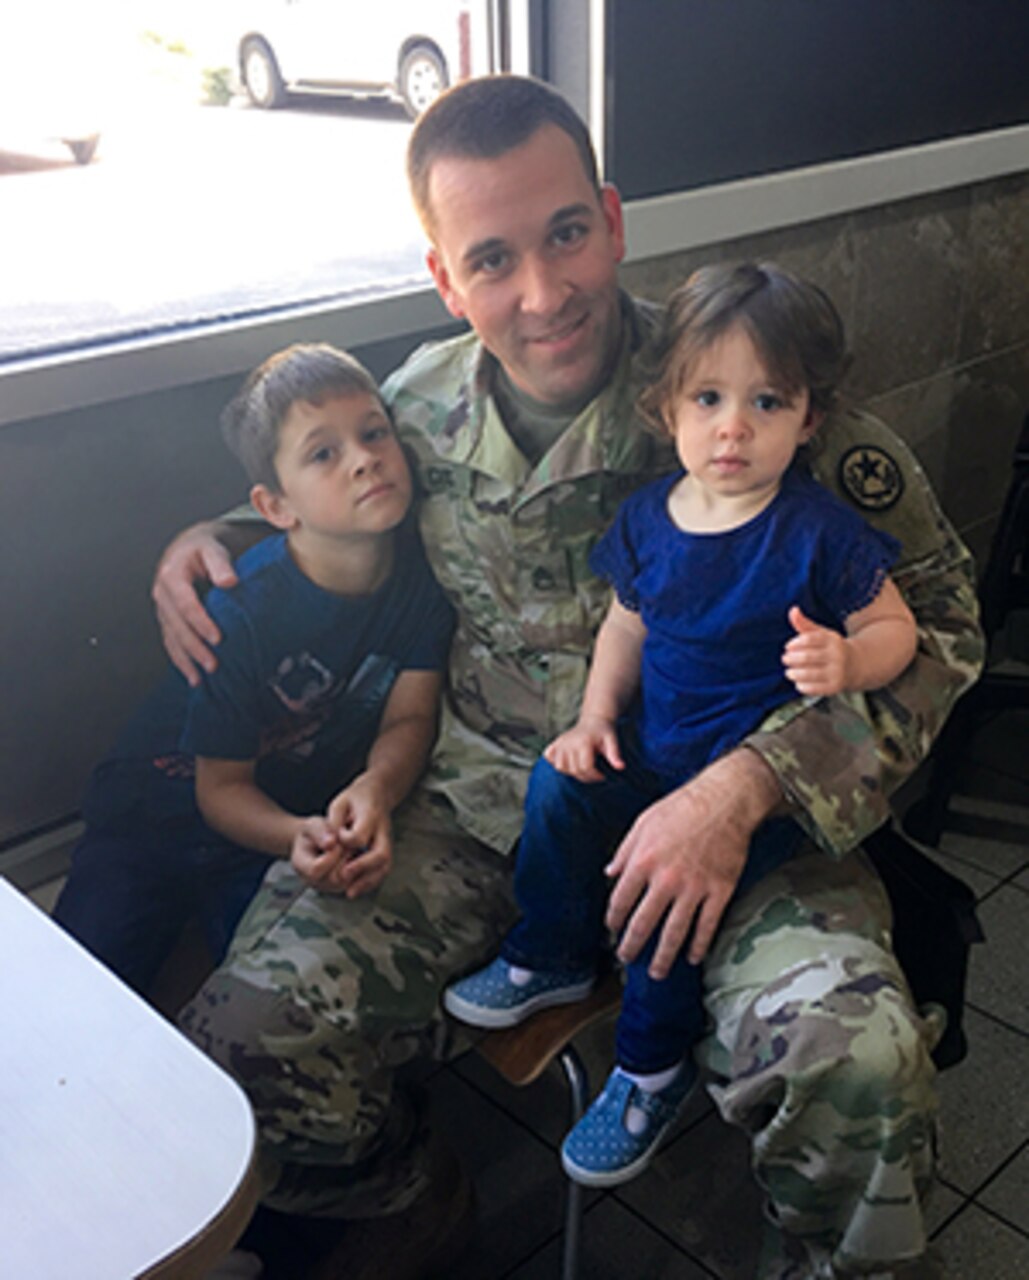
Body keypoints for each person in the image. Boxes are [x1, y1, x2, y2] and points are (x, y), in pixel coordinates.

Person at [154, 76, 983, 1280]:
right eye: (491, 258)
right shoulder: (418, 410)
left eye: (566, 235)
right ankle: (400, 1194)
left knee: (858, 1063)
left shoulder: (736, 382)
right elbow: (327, 495)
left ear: (613, 218)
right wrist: (220, 537)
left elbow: (944, 618)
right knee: (241, 1038)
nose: (542, 294)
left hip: (736, 814)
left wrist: (750, 785)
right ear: (446, 278)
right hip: (490, 805)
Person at [442, 261, 920, 1191]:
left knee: (665, 920)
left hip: (756, 798)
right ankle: (546, 955)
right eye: (708, 397)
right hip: (651, 760)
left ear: (808, 419)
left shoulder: (815, 529)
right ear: (667, 408)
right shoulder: (647, 521)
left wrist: (848, 661)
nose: (732, 426)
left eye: (766, 402)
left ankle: (648, 1072)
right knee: (558, 787)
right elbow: (625, 623)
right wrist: (589, 722)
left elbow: (896, 625)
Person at [53, 344, 454, 1000]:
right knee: (81, 994)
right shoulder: (245, 608)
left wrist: (375, 789)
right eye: (323, 453)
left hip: (269, 827)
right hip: (159, 811)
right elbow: (220, 790)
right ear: (275, 506)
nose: (363, 459)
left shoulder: (419, 584)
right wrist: (297, 832)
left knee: (268, 996)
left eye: (374, 432)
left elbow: (409, 715)